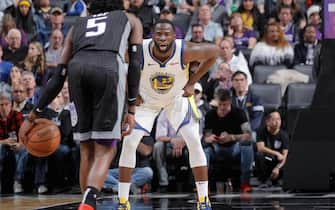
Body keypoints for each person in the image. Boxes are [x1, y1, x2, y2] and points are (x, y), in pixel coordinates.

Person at [18, 1, 143, 209]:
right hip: (108, 67)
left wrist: (33, 115)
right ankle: (89, 200)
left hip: (76, 71)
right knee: (106, 148)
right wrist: (131, 109)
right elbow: (136, 65)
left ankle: (86, 204)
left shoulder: (78, 24)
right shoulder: (131, 19)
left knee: (86, 147)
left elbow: (58, 76)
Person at [117, 19, 222, 210]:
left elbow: (215, 52)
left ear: (175, 36)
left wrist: (192, 82)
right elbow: (117, 64)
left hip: (176, 98)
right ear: (152, 36)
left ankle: (203, 199)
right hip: (147, 101)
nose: (163, 38)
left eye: (167, 34)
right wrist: (131, 94)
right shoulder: (139, 49)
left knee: (193, 140)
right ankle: (123, 201)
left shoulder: (186, 50)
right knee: (130, 142)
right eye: (159, 34)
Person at [256, 110, 289, 186]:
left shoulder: (284, 135)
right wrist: (276, 153)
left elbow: (284, 156)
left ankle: (278, 179)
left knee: (288, 158)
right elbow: (260, 148)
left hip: (278, 162)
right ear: (267, 121)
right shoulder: (261, 132)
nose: (277, 122)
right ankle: (263, 180)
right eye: (274, 119)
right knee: (259, 155)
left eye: (279, 119)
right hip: (268, 159)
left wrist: (278, 167)